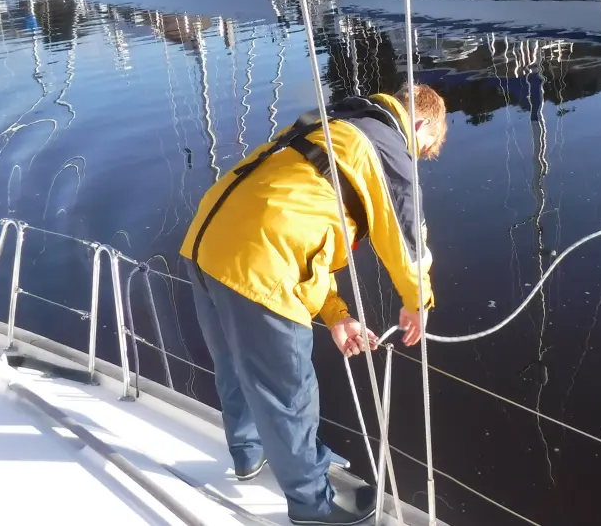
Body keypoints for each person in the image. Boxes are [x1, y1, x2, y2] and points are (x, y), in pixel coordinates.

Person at [179, 84, 447, 525]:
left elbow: (302, 224)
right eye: (421, 149)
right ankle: (311, 503)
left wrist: (336, 315)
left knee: (234, 364)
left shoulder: (334, 123)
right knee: (290, 389)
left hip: (207, 241)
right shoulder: (387, 147)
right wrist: (419, 301)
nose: (413, 159)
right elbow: (407, 244)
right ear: (418, 125)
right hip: (261, 259)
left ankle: (249, 453)